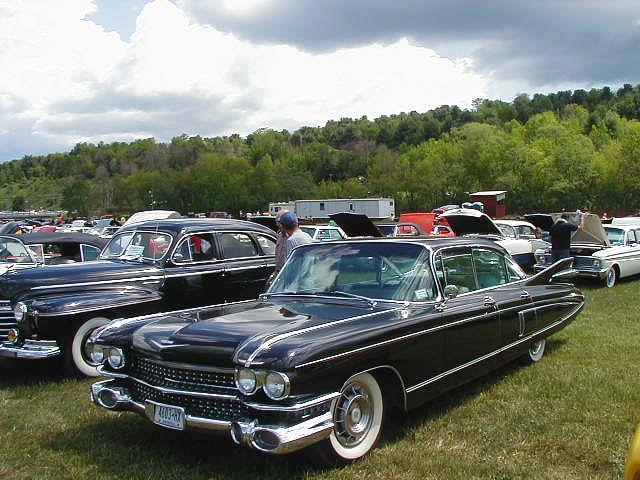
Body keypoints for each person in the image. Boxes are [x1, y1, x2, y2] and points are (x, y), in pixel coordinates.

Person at [273, 209, 289, 274]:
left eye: (279, 222)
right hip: (279, 272)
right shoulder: (279, 236)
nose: (277, 224)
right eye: (277, 222)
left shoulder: (293, 238)